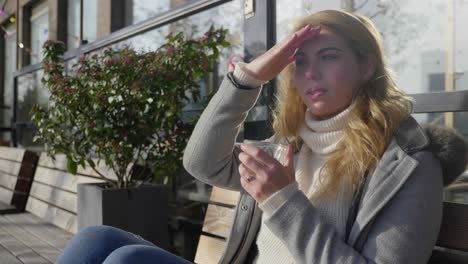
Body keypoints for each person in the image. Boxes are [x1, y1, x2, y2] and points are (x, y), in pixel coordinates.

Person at [56, 9, 467, 264]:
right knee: (96, 238)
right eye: (299, 61)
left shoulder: (408, 164)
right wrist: (248, 78)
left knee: (127, 260)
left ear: (365, 67)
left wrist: (282, 200)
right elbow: (200, 162)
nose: (309, 73)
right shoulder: (293, 142)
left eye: (329, 57)